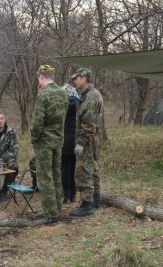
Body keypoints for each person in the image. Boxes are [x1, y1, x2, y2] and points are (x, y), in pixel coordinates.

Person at [30, 64, 68, 224]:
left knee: (45, 177)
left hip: (44, 142)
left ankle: (51, 214)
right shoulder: (63, 93)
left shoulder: (43, 95)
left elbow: (38, 121)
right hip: (58, 140)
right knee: (56, 174)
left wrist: (34, 138)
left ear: (41, 77)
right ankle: (57, 208)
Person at [68, 68, 104, 217]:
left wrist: (81, 143)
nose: (75, 81)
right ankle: (96, 200)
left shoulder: (91, 97)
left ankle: (87, 204)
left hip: (88, 140)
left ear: (84, 78)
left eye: (77, 78)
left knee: (84, 171)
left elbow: (89, 125)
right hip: (91, 139)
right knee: (92, 169)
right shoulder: (87, 95)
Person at [61, 82, 79, 204]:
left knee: (65, 168)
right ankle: (73, 195)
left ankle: (66, 195)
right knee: (74, 168)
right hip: (77, 139)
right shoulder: (80, 103)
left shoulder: (63, 105)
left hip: (65, 139)